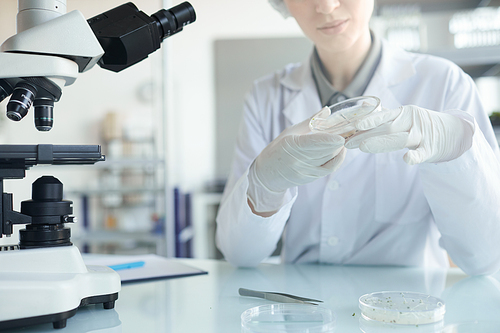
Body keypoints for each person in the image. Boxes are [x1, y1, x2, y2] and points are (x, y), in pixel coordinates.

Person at [215, 0, 500, 276]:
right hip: (302, 310)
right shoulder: (265, 97)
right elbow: (239, 253)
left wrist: (456, 149)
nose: (326, 6)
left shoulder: (444, 83)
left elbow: (487, 258)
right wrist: (265, 183)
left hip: (408, 310)